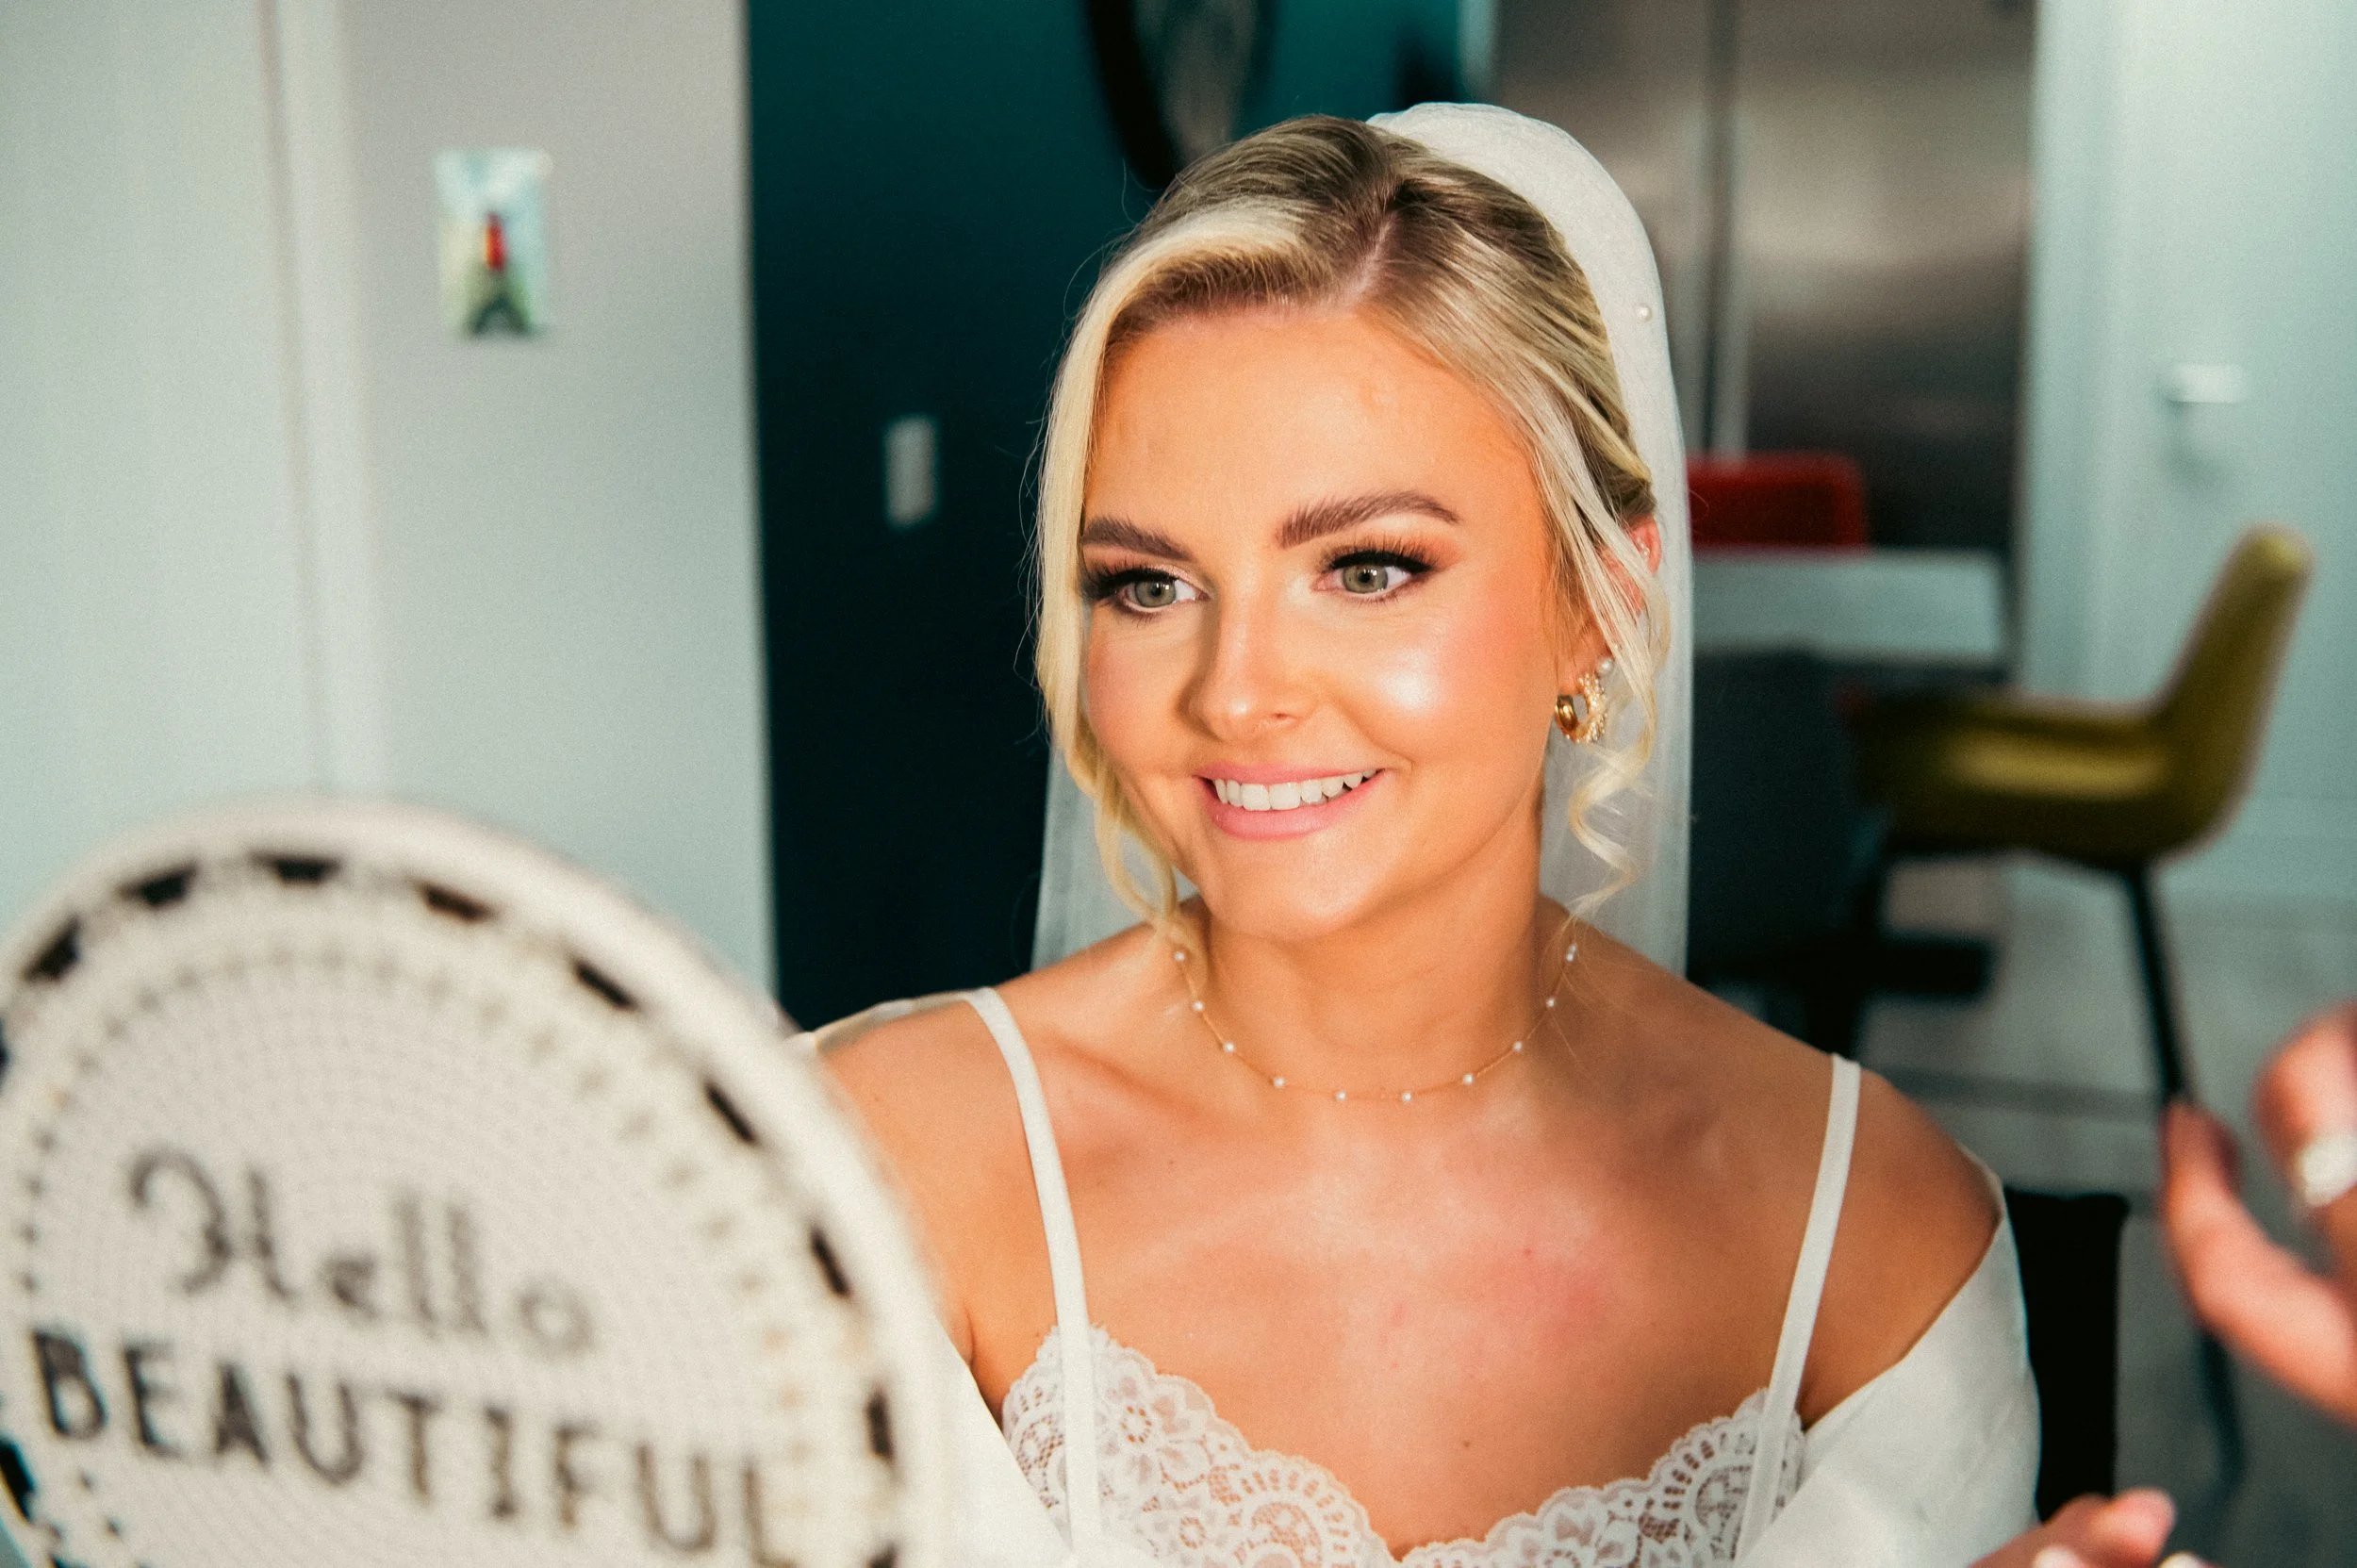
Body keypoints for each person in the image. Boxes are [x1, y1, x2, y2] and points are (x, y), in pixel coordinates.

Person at [816, 107, 2038, 1565]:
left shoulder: (1875, 1237)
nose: (1236, 690)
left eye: (1367, 566)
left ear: (1601, 600)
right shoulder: (865, 1162)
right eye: (1148, 583)